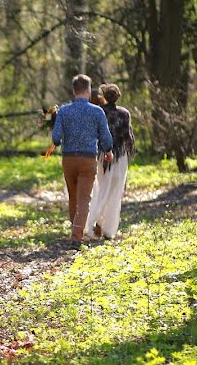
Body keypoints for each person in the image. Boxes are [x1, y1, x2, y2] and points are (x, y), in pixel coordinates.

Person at [51, 74, 113, 244]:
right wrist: (108, 150)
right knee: (84, 198)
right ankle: (77, 237)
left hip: (69, 159)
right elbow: (106, 138)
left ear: (73, 91)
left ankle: (75, 230)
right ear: (88, 90)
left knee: (73, 197)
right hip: (88, 159)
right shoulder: (97, 111)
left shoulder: (63, 111)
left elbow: (56, 138)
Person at [85, 83, 134, 239]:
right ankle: (108, 230)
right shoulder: (124, 113)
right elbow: (128, 138)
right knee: (115, 192)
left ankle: (95, 221)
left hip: (102, 156)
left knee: (102, 187)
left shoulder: (99, 112)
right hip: (120, 156)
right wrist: (130, 153)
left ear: (104, 96)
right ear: (118, 96)